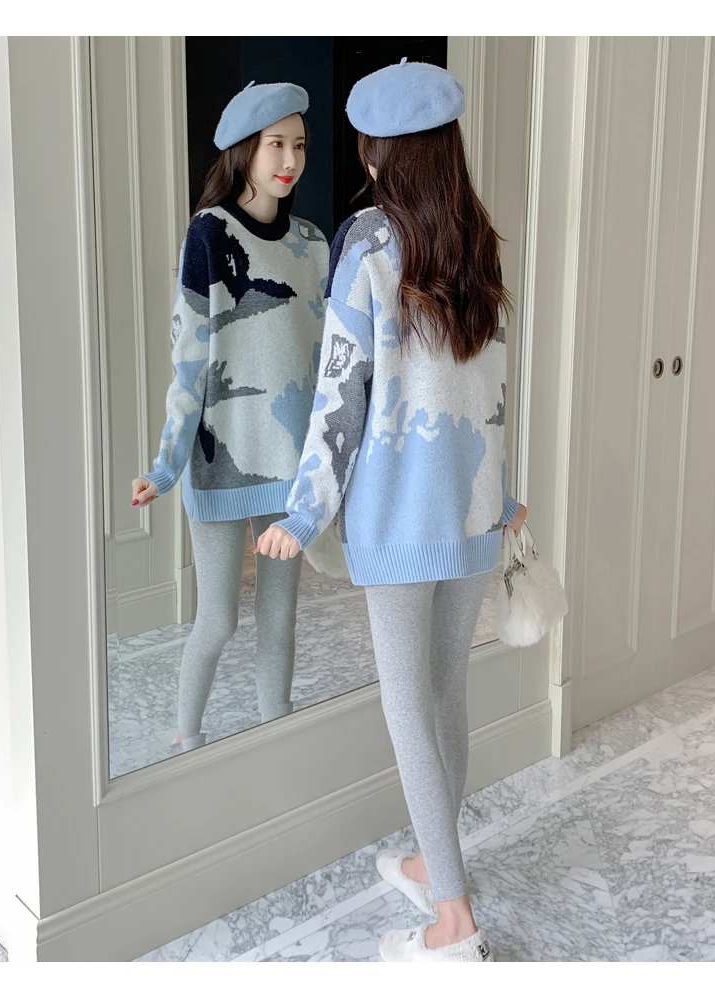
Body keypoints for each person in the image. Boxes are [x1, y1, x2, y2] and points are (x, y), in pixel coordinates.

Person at [256, 59, 527, 962]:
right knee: (445, 696)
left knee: (410, 707)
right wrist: (504, 496)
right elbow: (493, 393)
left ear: (379, 155)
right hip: (474, 512)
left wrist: (302, 515)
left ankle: (453, 920)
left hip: (401, 521)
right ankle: (432, 862)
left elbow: (341, 396)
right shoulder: (479, 243)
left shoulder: (369, 243)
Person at [131, 81, 329, 750]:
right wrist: (165, 466)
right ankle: (186, 740)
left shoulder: (313, 243)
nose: (291, 160)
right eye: (276, 144)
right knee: (217, 620)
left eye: (299, 145)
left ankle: (276, 740)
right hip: (221, 460)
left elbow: (326, 365)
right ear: (245, 150)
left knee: (281, 620)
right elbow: (190, 362)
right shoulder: (210, 235)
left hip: (290, 463)